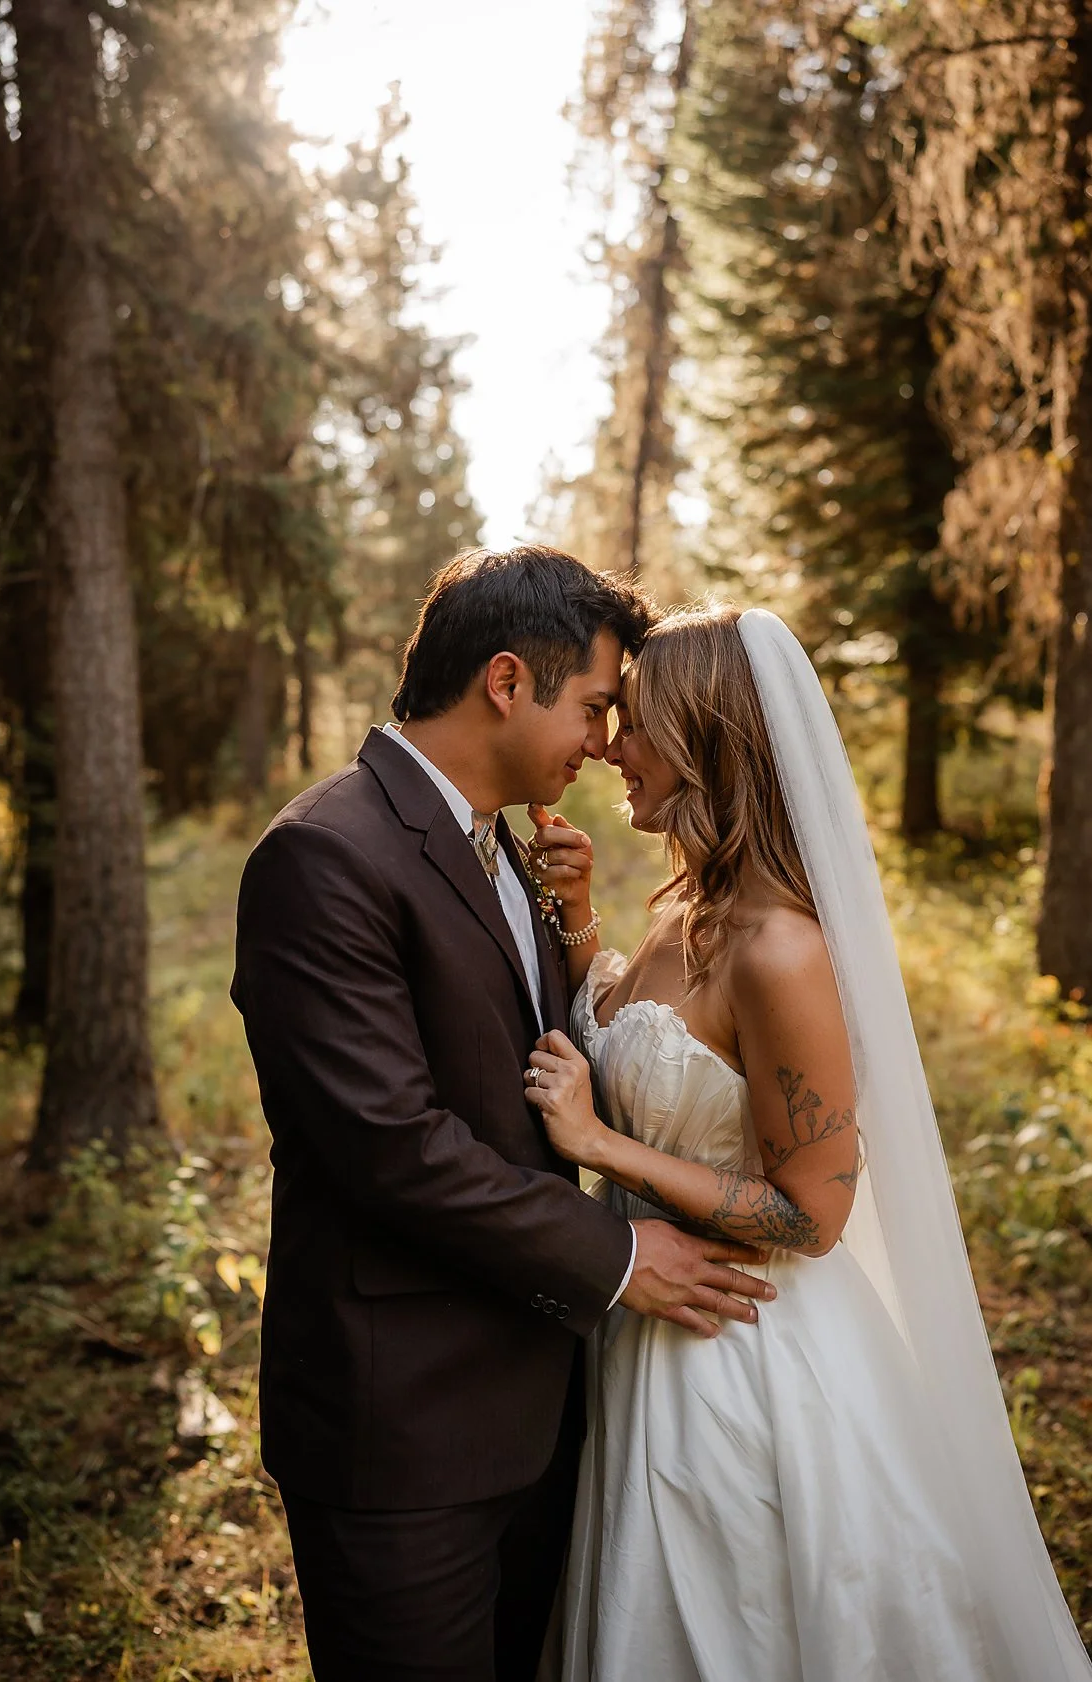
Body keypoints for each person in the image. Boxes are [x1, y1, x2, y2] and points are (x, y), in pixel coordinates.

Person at [229, 549, 775, 1682]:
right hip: (403, 1425)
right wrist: (620, 1253)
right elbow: (392, 1148)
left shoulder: (503, 847)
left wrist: (573, 927)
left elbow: (534, 1066)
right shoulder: (323, 854)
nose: (601, 737)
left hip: (543, 1395)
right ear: (506, 680)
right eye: (590, 705)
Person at [524, 603, 1092, 1682]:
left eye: (634, 723)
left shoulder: (779, 947)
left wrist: (606, 1145)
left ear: (703, 743)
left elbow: (810, 1214)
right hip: (645, 1325)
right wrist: (583, 918)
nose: (608, 746)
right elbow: (659, 1049)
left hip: (740, 1356)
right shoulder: (687, 905)